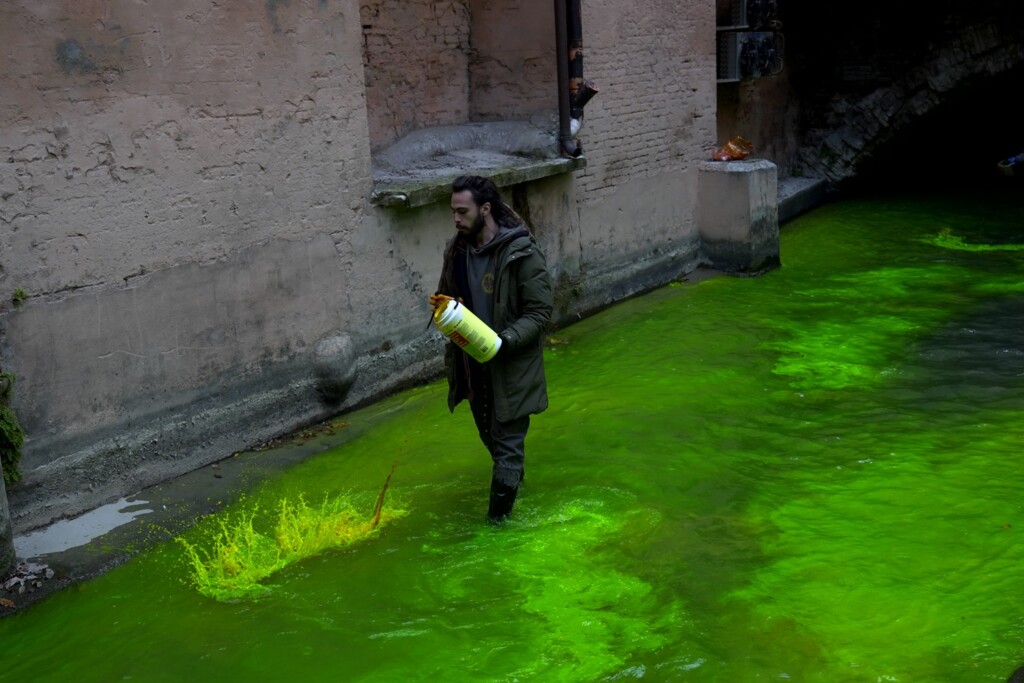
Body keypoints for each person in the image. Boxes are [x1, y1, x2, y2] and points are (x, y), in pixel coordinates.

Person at [430, 175, 553, 522]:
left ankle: (496, 530)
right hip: (473, 370)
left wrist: (506, 342)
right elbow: (449, 298)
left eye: (462, 211)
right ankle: (517, 495)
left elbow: (541, 312)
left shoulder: (522, 253)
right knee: (495, 445)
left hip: (512, 367)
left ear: (485, 209)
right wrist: (442, 309)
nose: (455, 219)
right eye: (453, 211)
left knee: (508, 449)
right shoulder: (456, 250)